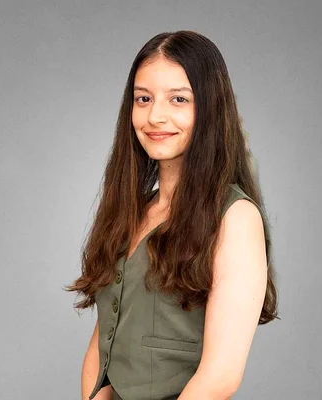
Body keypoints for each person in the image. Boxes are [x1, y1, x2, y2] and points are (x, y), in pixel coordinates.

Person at [65, 30, 279, 400]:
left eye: (178, 99)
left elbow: (220, 375)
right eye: (143, 98)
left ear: (210, 109)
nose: (155, 116)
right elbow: (102, 348)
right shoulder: (132, 212)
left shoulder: (236, 218)